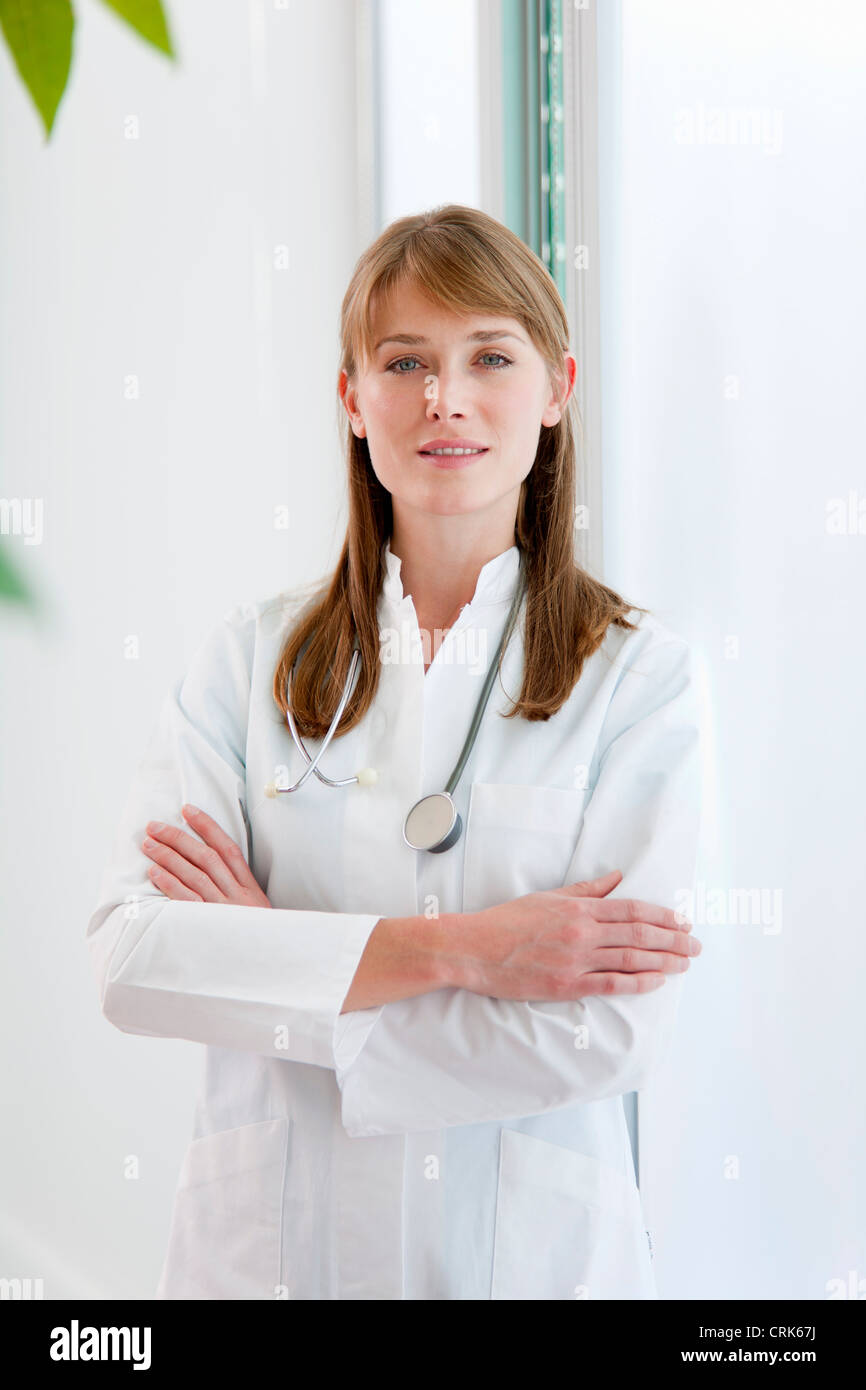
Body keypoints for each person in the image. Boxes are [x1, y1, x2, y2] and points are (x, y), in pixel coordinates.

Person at [86, 203, 703, 1301]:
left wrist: (279, 964)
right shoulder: (249, 660)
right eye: (403, 360)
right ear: (352, 400)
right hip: (271, 1261)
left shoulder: (637, 679)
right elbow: (135, 960)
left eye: (488, 357)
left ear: (557, 388)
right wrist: (467, 951)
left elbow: (606, 1030)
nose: (444, 399)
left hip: (522, 1263)